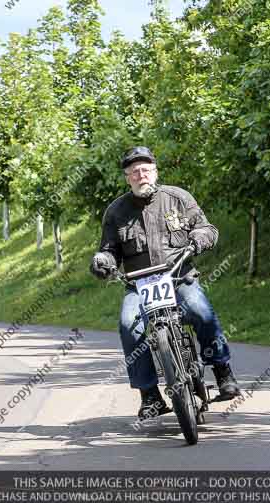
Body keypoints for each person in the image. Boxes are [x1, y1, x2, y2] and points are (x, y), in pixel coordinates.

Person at [90, 146, 240, 420]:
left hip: (179, 276)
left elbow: (207, 228)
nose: (140, 175)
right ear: (127, 177)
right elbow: (108, 250)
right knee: (128, 325)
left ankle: (221, 370)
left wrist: (199, 239)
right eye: (134, 172)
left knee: (199, 310)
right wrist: (103, 262)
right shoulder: (116, 211)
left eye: (145, 169)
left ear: (155, 172)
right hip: (139, 285)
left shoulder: (179, 198)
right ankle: (150, 396)